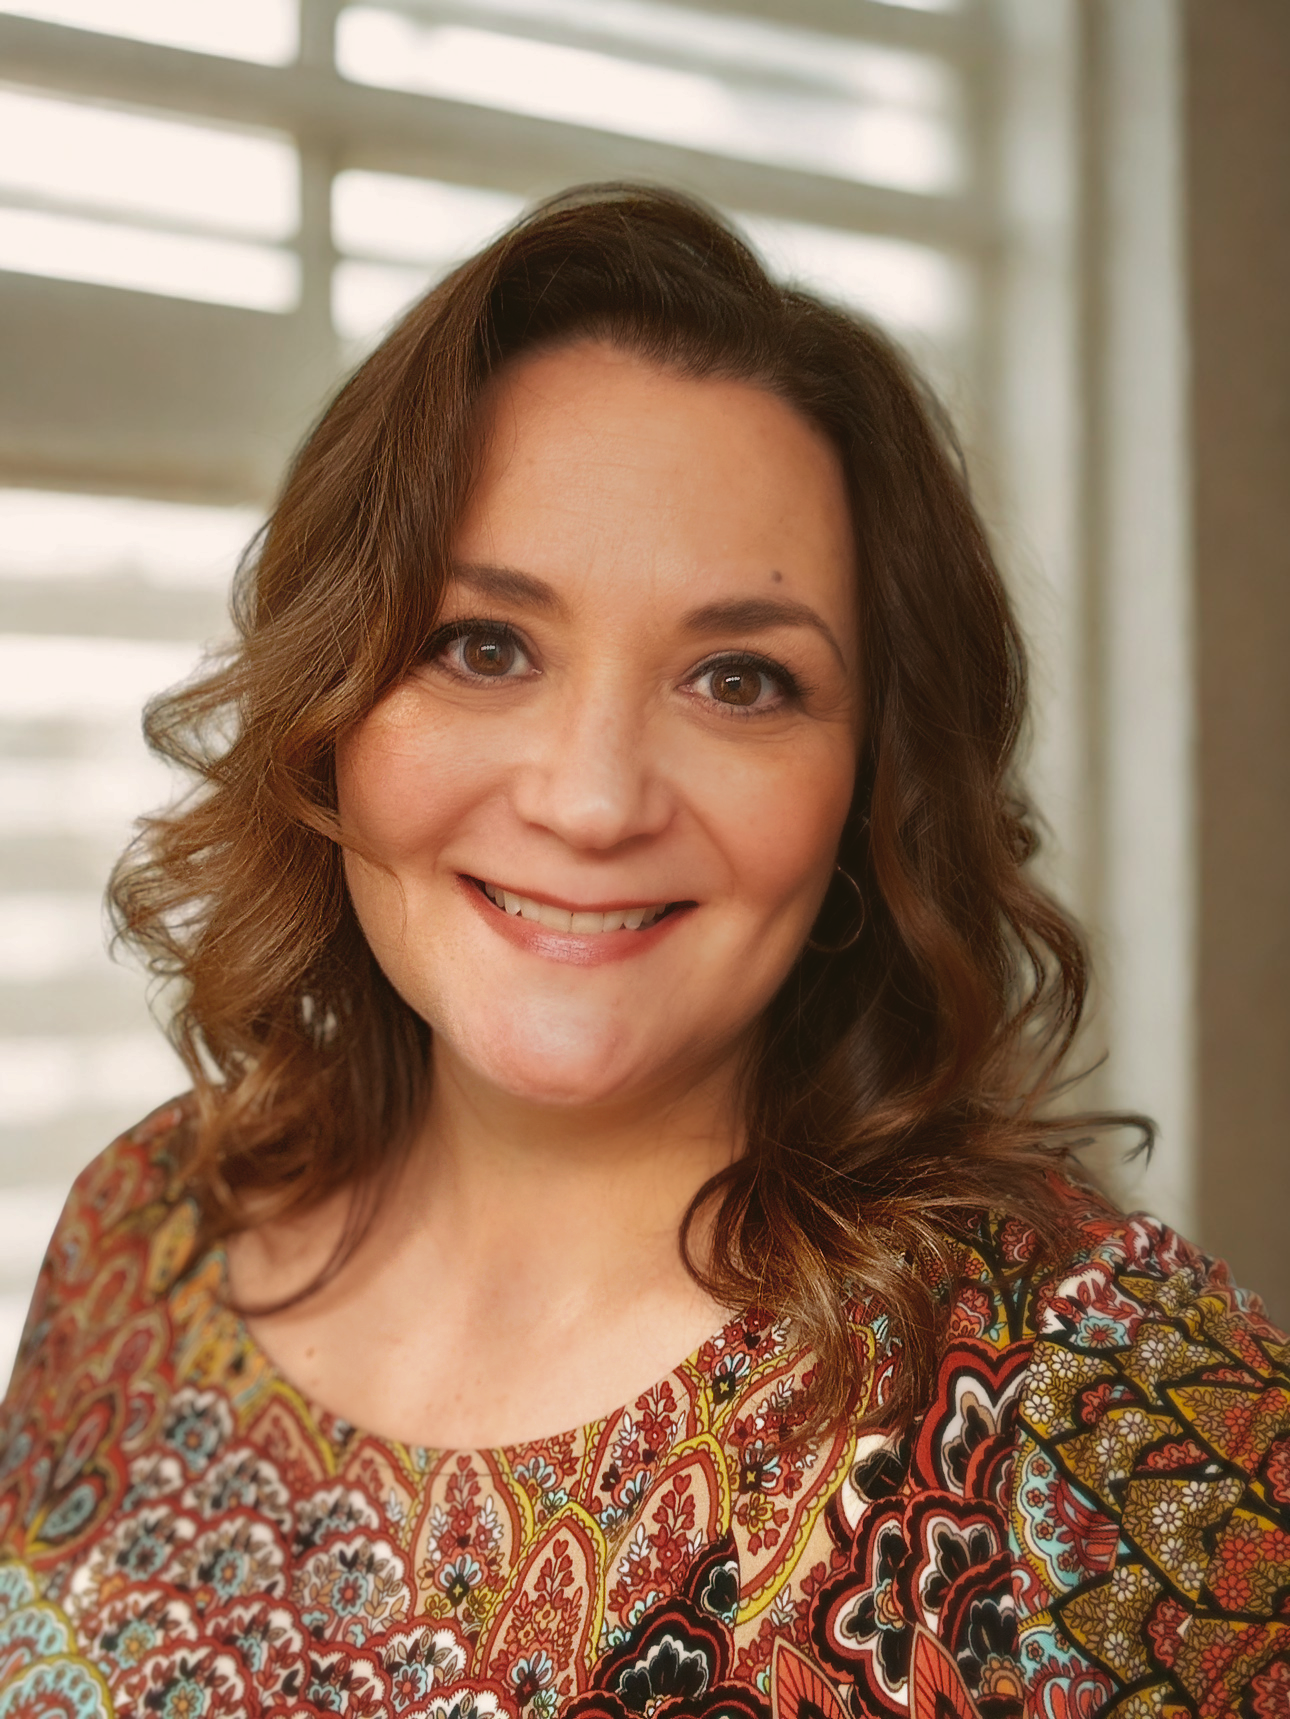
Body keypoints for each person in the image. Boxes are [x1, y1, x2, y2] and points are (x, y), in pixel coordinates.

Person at [1, 186, 1287, 1719]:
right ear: (328, 696)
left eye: (738, 679)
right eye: (484, 643)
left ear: (872, 785)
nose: (593, 797)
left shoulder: (1097, 1396)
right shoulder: (144, 1228)